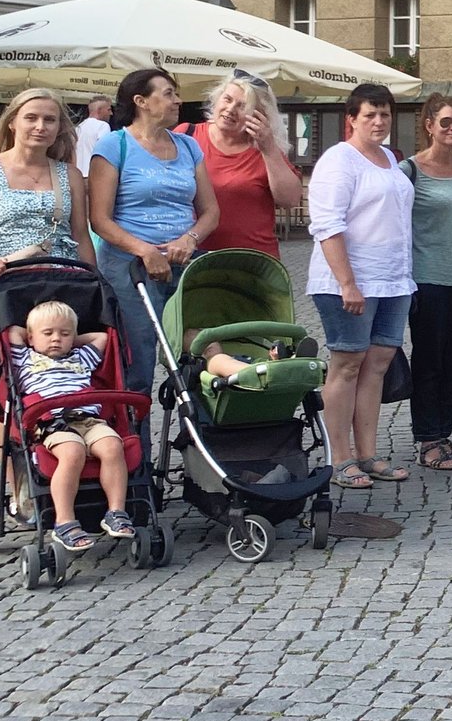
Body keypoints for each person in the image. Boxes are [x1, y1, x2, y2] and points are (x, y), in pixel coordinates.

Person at [0, 90, 94, 518]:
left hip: (62, 286)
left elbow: (82, 235)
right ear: (12, 122)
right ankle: (21, 491)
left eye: (50, 120)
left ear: (59, 128)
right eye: (32, 118)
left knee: (70, 380)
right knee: (9, 392)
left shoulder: (69, 174)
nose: (40, 127)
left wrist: (94, 284)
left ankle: (76, 478)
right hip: (5, 287)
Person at [307, 83, 415, 490]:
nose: (379, 121)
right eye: (370, 114)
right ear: (351, 119)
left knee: (378, 366)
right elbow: (327, 225)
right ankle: (340, 458)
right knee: (347, 365)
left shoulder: (388, 157)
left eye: (385, 114)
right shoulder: (339, 160)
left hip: (393, 280)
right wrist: (347, 283)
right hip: (348, 283)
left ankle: (367, 453)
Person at [89, 68, 219, 397]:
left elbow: (211, 211)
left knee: (201, 348)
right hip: (130, 267)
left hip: (184, 260)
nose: (178, 100)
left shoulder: (188, 147)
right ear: (141, 101)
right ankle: (138, 444)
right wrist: (144, 250)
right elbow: (100, 220)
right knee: (139, 356)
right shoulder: (114, 145)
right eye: (169, 93)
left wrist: (188, 239)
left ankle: (202, 440)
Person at [5, 303, 128, 552]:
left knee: (113, 446)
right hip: (52, 421)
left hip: (87, 419)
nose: (56, 339)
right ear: (31, 337)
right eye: (48, 333)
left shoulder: (81, 357)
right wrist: (34, 336)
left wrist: (72, 339)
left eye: (64, 333)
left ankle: (116, 512)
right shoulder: (27, 358)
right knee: (72, 452)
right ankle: (64, 521)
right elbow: (10, 333)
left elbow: (102, 337)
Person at [402, 95, 452, 471]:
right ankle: (428, 437)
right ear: (429, 125)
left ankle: (444, 431)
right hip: (427, 279)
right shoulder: (409, 170)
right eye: (447, 122)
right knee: (429, 361)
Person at [181, 71, 302, 256]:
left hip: (251, 262)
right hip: (192, 257)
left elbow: (290, 200)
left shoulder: (265, 149)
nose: (230, 109)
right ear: (217, 98)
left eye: (242, 106)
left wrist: (269, 149)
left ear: (259, 116)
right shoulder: (187, 135)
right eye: (227, 99)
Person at [73, 95, 110, 177]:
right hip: (94, 176)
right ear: (99, 110)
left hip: (77, 176)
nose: (111, 113)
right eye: (109, 110)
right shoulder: (103, 126)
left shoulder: (78, 128)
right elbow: (105, 151)